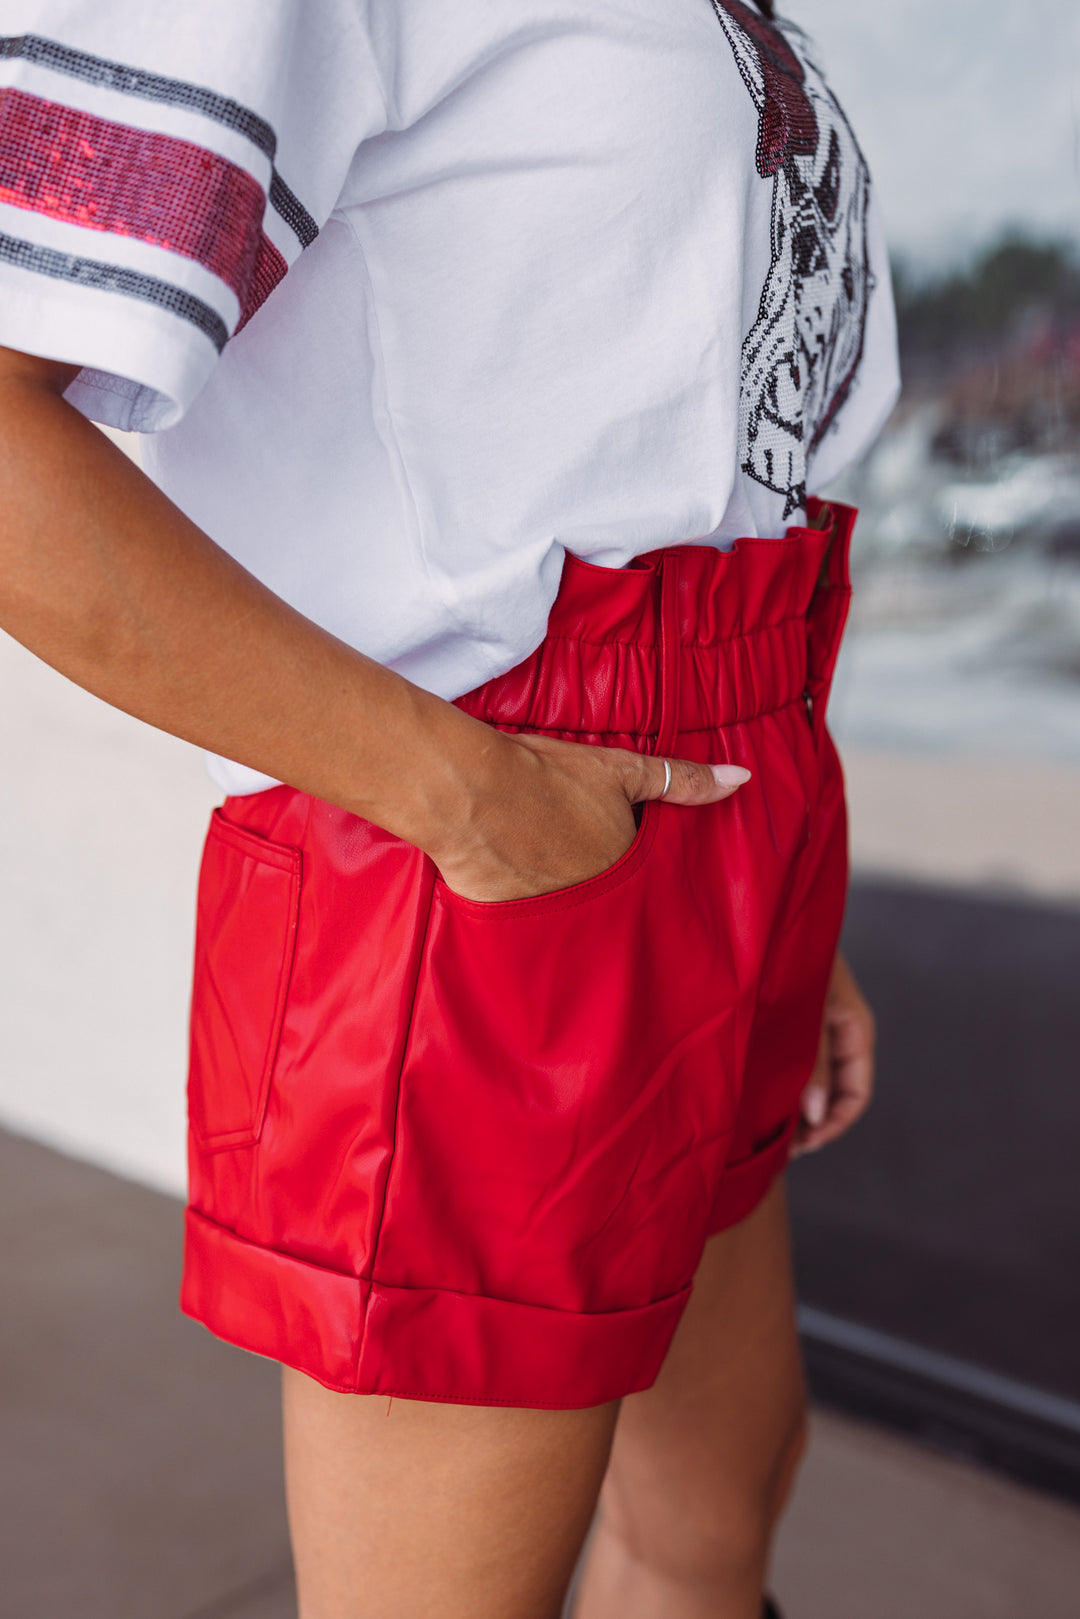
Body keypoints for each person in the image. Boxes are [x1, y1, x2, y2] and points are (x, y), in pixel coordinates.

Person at [0, 1, 897, 1614]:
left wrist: (778, 904)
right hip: (490, 853)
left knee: (717, 1507)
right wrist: (469, 794)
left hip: (730, 789)